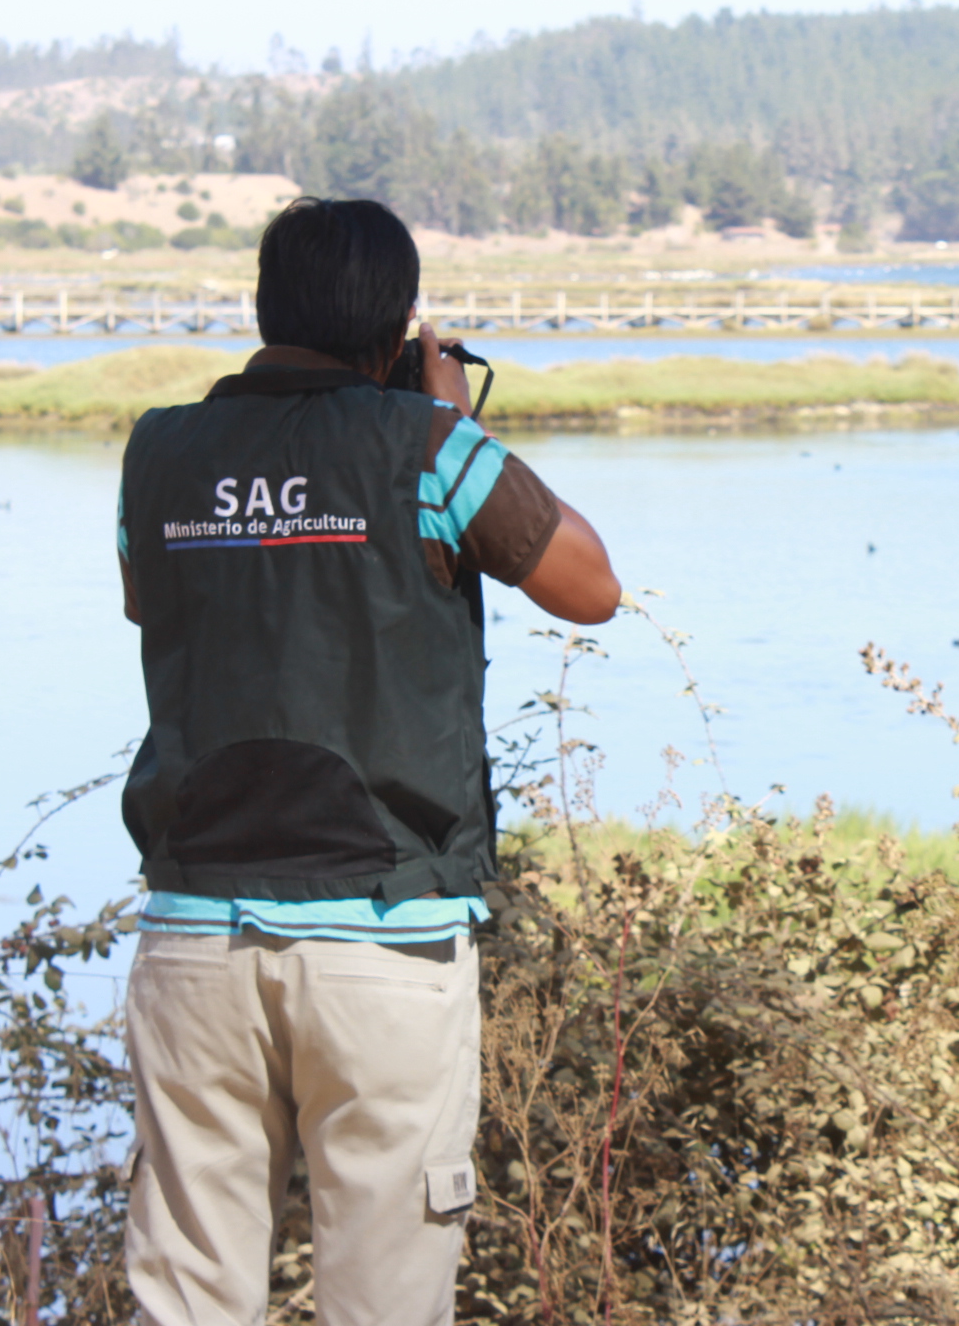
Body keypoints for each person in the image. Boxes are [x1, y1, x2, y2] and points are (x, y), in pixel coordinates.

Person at [114, 196, 620, 1326]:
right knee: (386, 1299)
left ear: (266, 309)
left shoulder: (157, 452)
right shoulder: (429, 446)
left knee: (187, 1296)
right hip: (385, 940)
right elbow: (593, 589)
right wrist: (444, 418)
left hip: (195, 937)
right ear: (397, 327)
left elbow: (150, 602)